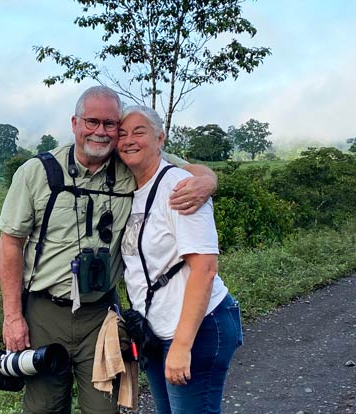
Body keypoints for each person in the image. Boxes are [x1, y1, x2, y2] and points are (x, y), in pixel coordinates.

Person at [0, 85, 217, 413]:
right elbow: (11, 244)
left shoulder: (129, 162)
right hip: (45, 311)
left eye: (110, 124)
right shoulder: (38, 173)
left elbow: (188, 170)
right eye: (92, 122)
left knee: (104, 408)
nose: (101, 131)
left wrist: (208, 180)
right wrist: (13, 317)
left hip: (101, 313)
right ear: (75, 124)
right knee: (43, 407)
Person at [117, 105, 242, 413]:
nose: (129, 139)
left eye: (139, 131)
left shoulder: (179, 187)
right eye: (122, 133)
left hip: (197, 329)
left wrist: (182, 346)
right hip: (157, 331)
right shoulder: (134, 190)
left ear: (161, 139)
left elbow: (205, 268)